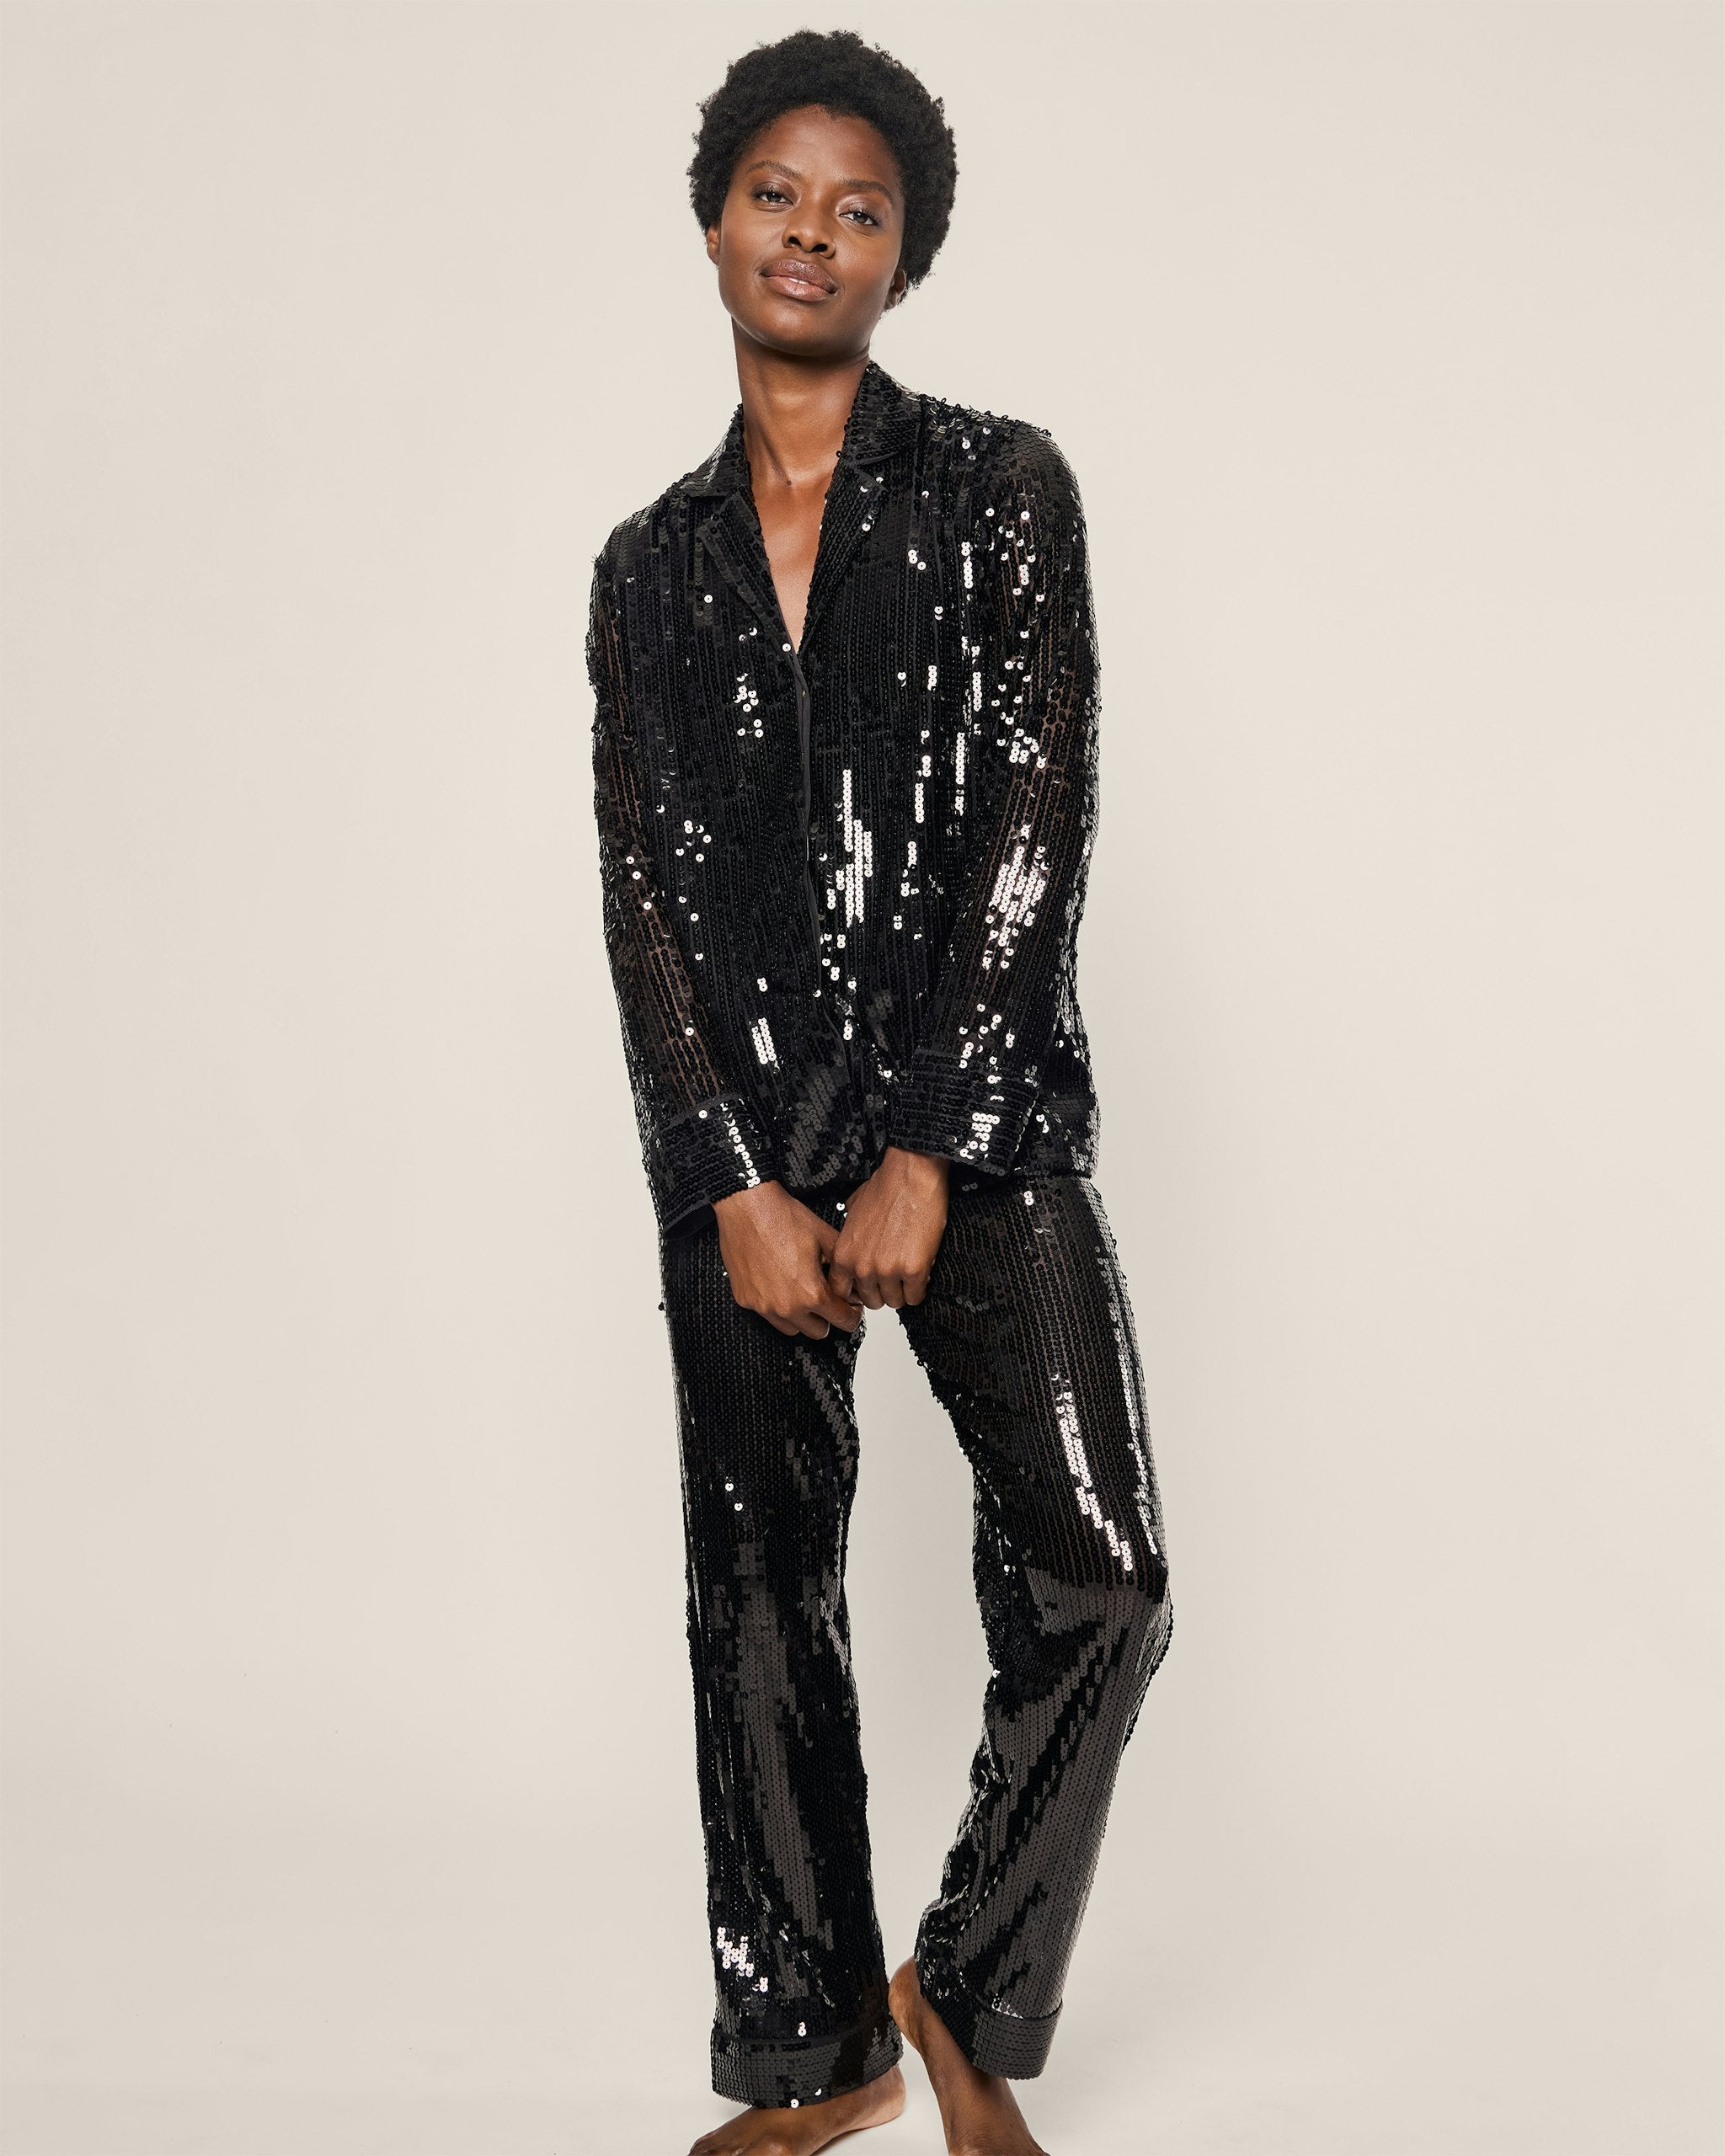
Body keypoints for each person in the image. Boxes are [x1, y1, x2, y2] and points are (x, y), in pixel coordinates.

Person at [587, 30, 1172, 2156]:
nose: (809, 233)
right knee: (759, 1606)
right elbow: (643, 889)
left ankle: (964, 1985)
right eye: (776, 193)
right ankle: (811, 2048)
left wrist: (933, 1135)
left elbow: (1035, 819)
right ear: (711, 220)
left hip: (978, 1119)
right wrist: (731, 1174)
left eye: (858, 208)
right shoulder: (644, 565)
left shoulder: (1002, 489)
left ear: (902, 254)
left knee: (1104, 1572)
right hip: (742, 1147)